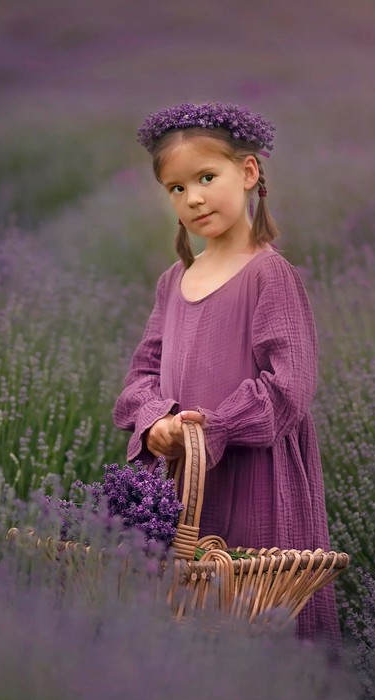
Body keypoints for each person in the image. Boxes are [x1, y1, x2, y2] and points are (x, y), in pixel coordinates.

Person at [113, 101, 340, 645]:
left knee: (251, 609)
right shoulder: (175, 280)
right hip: (178, 482)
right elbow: (139, 378)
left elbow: (289, 389)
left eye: (206, 177)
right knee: (180, 616)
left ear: (249, 172)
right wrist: (159, 423)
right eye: (175, 188)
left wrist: (209, 429)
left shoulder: (269, 275)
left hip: (252, 474)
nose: (192, 198)